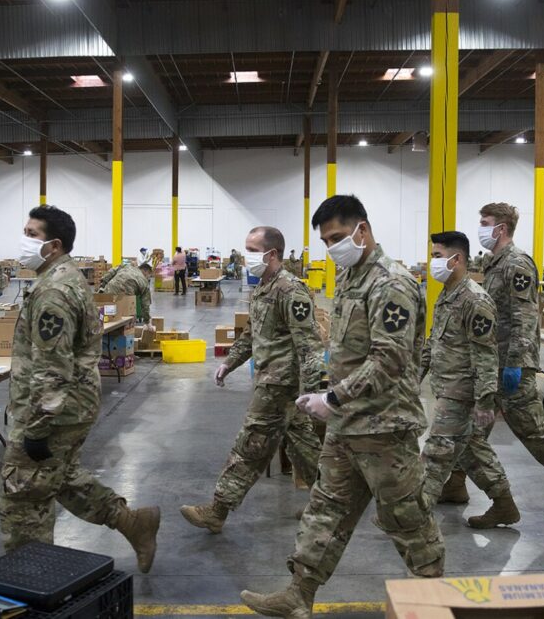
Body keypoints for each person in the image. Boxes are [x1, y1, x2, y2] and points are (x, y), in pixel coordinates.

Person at [240, 195, 444, 618]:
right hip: (348, 423)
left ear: (362, 230)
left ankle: (433, 601)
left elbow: (390, 358)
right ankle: (299, 593)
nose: (331, 247)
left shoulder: (391, 283)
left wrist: (333, 397)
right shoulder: (352, 276)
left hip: (384, 427)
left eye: (336, 237)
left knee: (407, 518)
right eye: (325, 240)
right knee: (325, 509)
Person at [0, 205, 160, 573]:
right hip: (73, 403)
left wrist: (37, 428)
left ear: (53, 246)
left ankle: (28, 577)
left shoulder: (54, 290)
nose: (23, 241)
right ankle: (134, 523)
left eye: (31, 234)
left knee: (23, 496)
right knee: (61, 476)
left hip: (54, 409)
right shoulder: (63, 279)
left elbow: (52, 368)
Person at [447, 202, 544, 518]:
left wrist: (515, 361)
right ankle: (456, 482)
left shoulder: (517, 263)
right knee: (472, 426)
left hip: (512, 363)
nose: (481, 228)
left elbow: (525, 315)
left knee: (530, 427)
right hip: (493, 361)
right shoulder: (495, 262)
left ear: (501, 228)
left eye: (485, 222)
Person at [181, 227, 324, 533]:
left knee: (250, 445)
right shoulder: (264, 287)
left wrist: (311, 393)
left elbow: (310, 347)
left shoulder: (290, 291)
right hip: (273, 381)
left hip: (281, 385)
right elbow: (251, 334)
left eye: (251, 249)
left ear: (271, 254)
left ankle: (216, 511)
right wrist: (229, 363)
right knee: (305, 446)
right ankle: (330, 505)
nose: (246, 255)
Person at [420, 231, 518, 527]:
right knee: (472, 452)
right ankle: (504, 505)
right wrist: (414, 375)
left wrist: (485, 400)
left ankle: (411, 515)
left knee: (436, 453)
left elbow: (486, 353)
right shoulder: (447, 295)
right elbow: (433, 341)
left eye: (437, 257)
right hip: (446, 385)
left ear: (457, 259)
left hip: (463, 391)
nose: (432, 263)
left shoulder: (475, 299)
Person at [98, 261, 154, 327]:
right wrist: (147, 322)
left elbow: (112, 271)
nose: (148, 278)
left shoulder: (127, 266)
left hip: (109, 289)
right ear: (146, 271)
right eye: (149, 275)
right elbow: (145, 304)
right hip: (125, 298)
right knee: (128, 320)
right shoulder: (144, 281)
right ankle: (123, 334)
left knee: (106, 315)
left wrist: (103, 284)